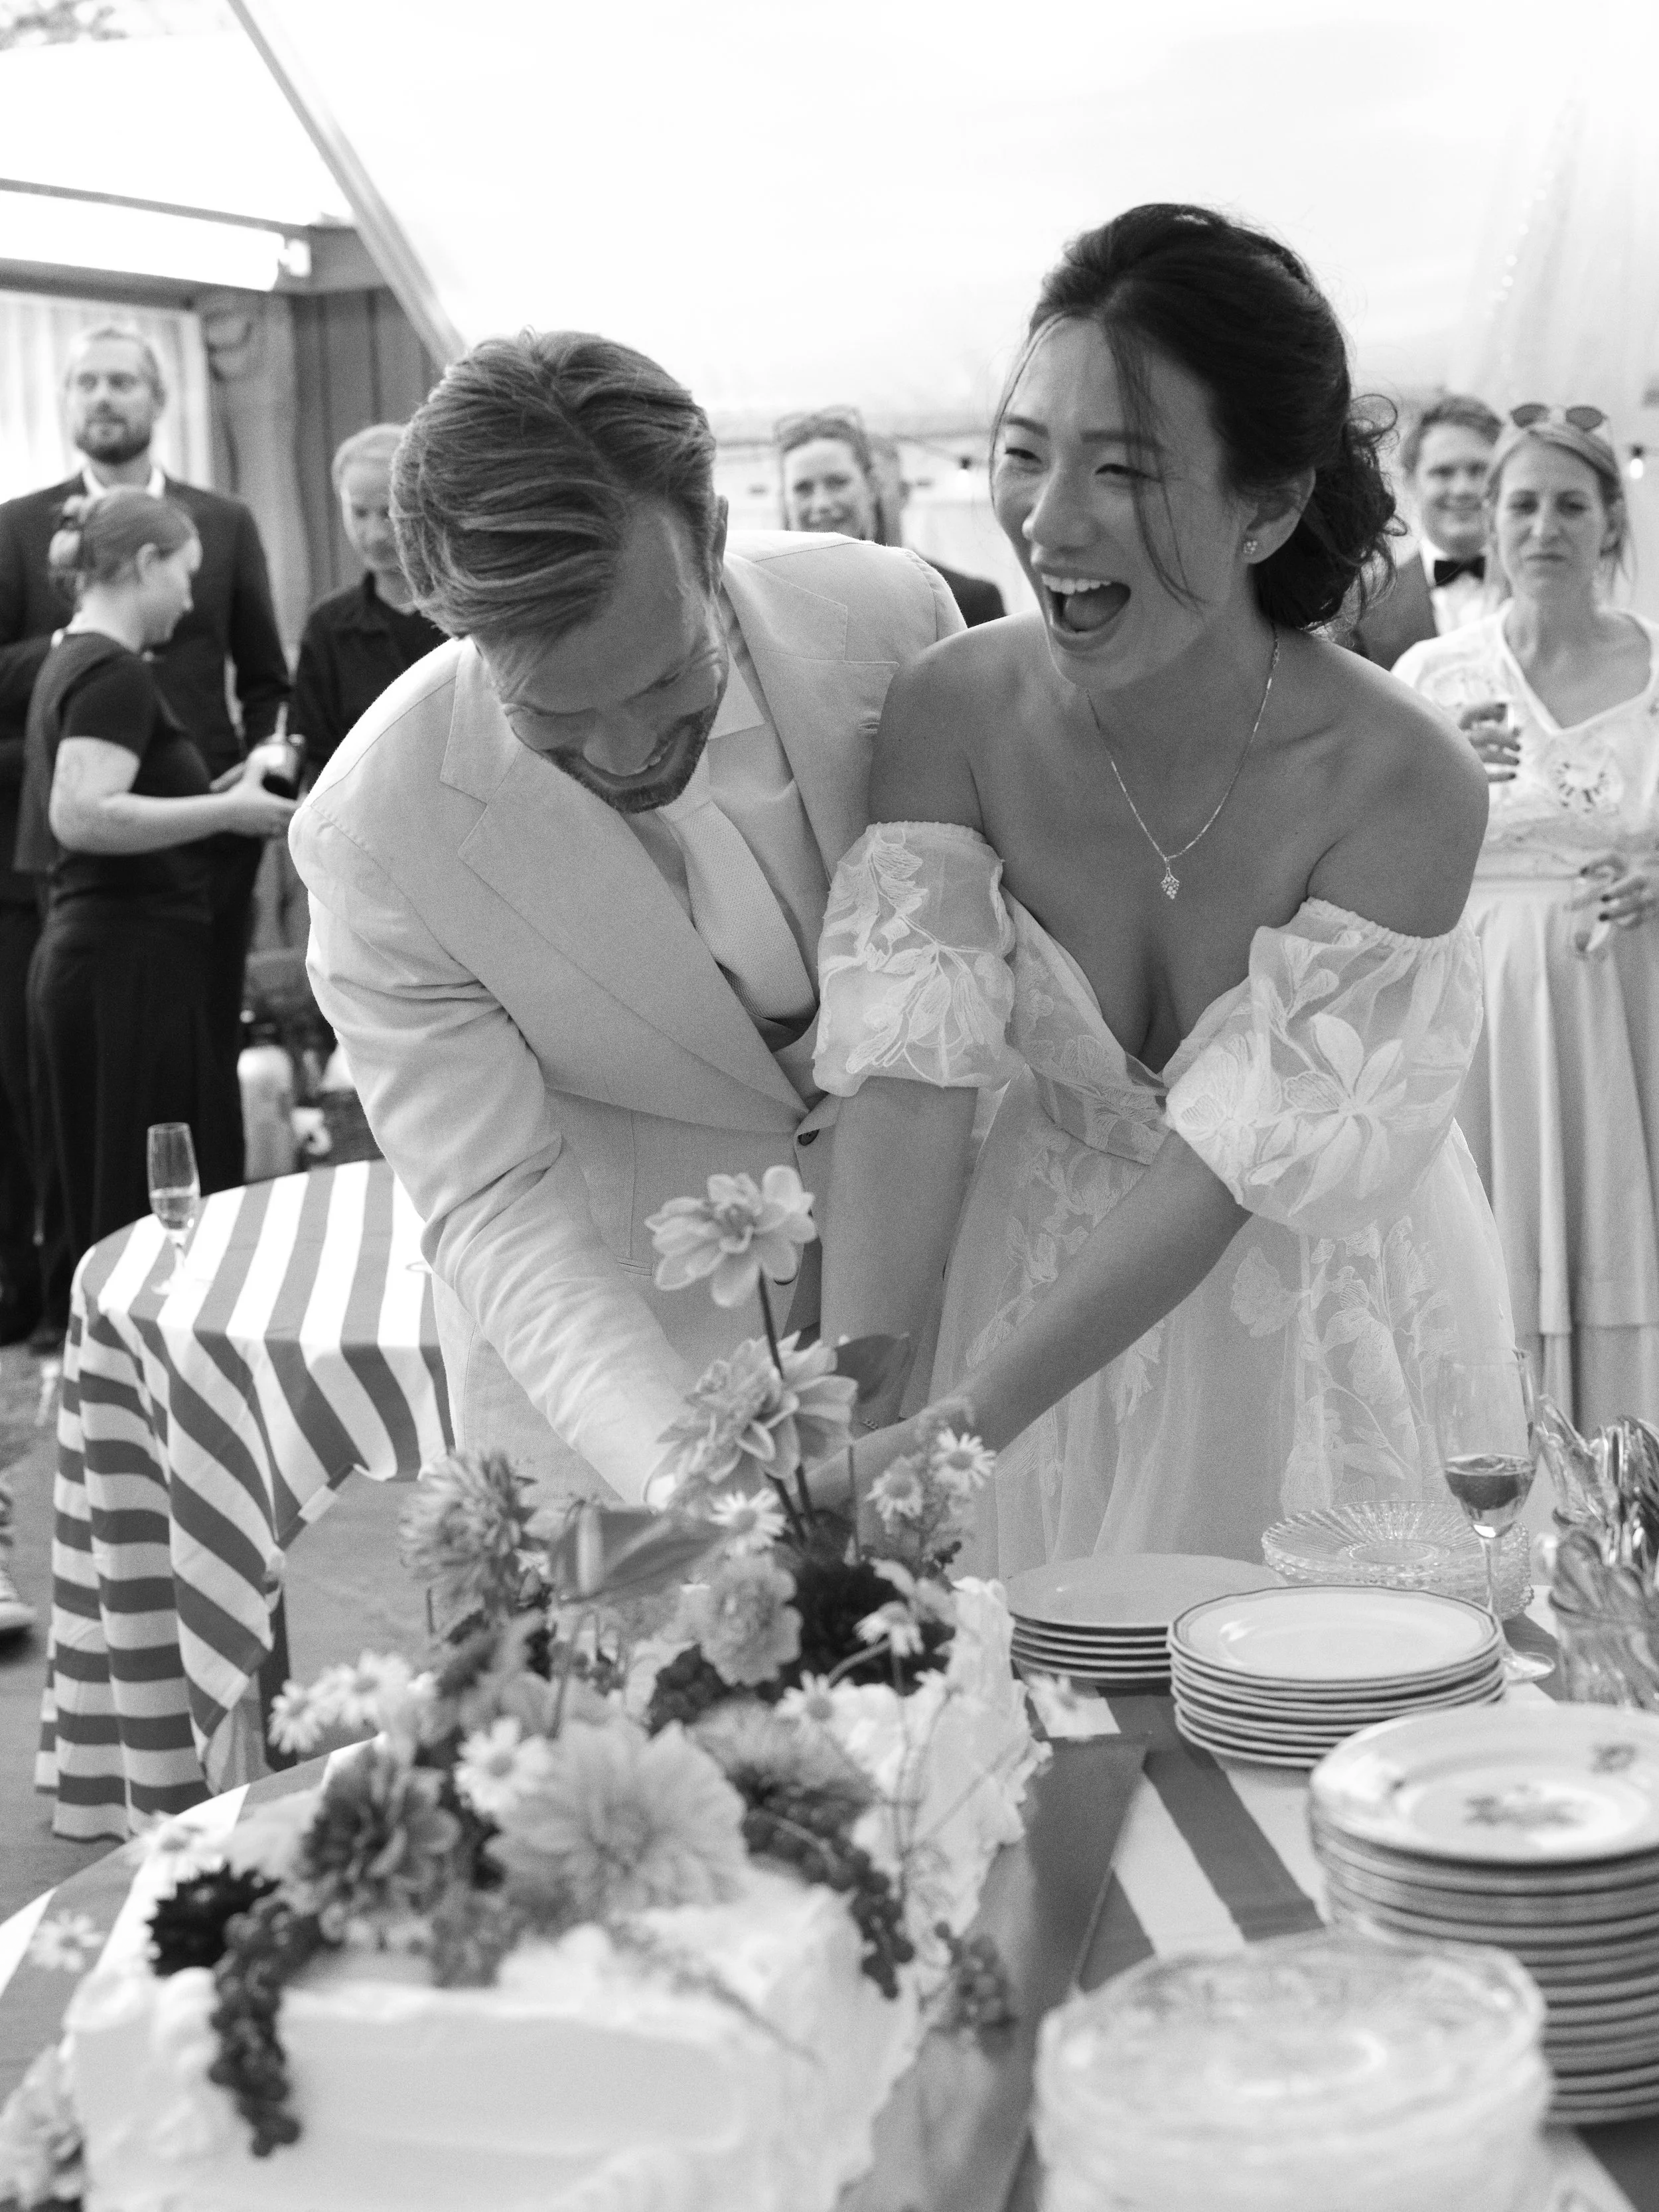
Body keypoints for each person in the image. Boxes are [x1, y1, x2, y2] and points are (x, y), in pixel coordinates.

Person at [812, 202, 1515, 1577]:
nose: (1048, 519)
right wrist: (861, 1416)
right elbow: (907, 1087)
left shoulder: (1402, 780)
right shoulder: (951, 711)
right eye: (1024, 455)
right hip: (1015, 1282)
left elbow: (1225, 1171)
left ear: (1267, 504)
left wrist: (960, 1430)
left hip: (1306, 1309)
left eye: (1123, 472)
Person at [291, 333, 962, 1507]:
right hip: (619, 1399)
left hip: (945, 1319)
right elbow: (496, 1199)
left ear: (707, 538)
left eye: (664, 677)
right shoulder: (376, 832)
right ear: (455, 623)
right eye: (552, 711)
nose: (626, 750)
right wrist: (692, 1487)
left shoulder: (892, 620)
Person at [1392, 406, 1659, 1431]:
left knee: (1617, 1234)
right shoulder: (1431, 678)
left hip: (1621, 1008)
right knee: (1485, 1246)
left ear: (1610, 526)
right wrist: (1436, 765)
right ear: (1490, 527)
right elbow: (1381, 850)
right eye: (1523, 505)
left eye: (1570, 505)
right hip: (1479, 1014)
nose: (1545, 526)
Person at [0, 324, 291, 1213]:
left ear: (158, 399)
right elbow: (82, 815)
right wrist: (227, 813)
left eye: (121, 380)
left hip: (172, 886)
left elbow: (264, 677)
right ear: (145, 565)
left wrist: (237, 787)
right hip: (103, 909)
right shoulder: (104, 660)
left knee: (162, 1108)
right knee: (123, 1140)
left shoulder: (221, 525)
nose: (185, 601)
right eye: (84, 381)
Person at [289, 423, 448, 782]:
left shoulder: (470, 617)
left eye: (389, 513)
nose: (375, 535)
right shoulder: (328, 628)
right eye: (359, 513)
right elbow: (315, 756)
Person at [779, 409, 1005, 628]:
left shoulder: (960, 600)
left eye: (837, 482)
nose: (822, 503)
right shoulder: (768, 603)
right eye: (803, 488)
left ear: (872, 488)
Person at [1349, 393, 1502, 667]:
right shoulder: (1365, 608)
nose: (1463, 489)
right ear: (1411, 482)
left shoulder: (1548, 595)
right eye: (1443, 473)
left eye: (1479, 471)